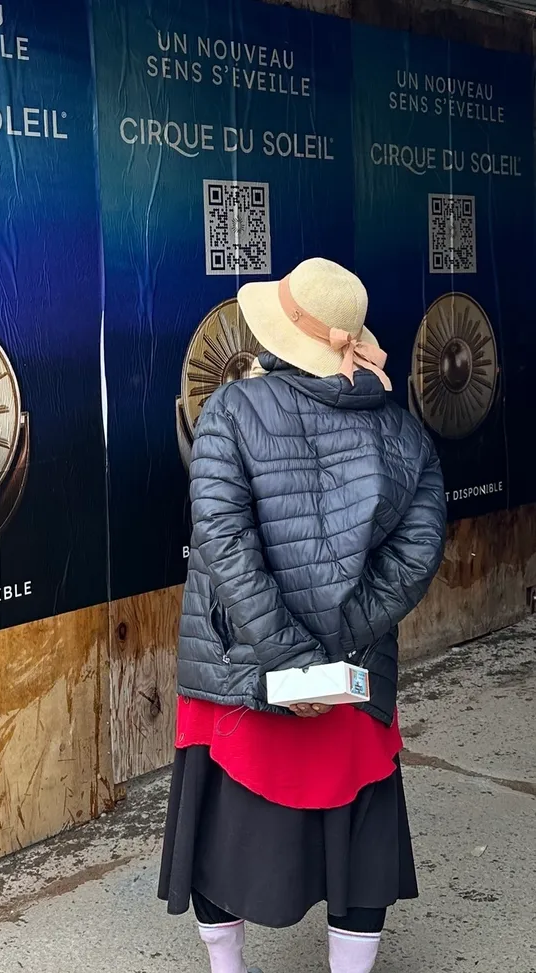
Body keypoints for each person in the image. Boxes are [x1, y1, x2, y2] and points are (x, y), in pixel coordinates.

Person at [159, 258, 447, 973]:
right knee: (361, 839)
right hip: (352, 673)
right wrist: (332, 645)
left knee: (219, 833)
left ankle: (228, 969)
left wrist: (289, 660)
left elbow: (222, 541)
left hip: (241, 666)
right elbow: (417, 556)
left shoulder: (230, 410)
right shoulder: (405, 432)